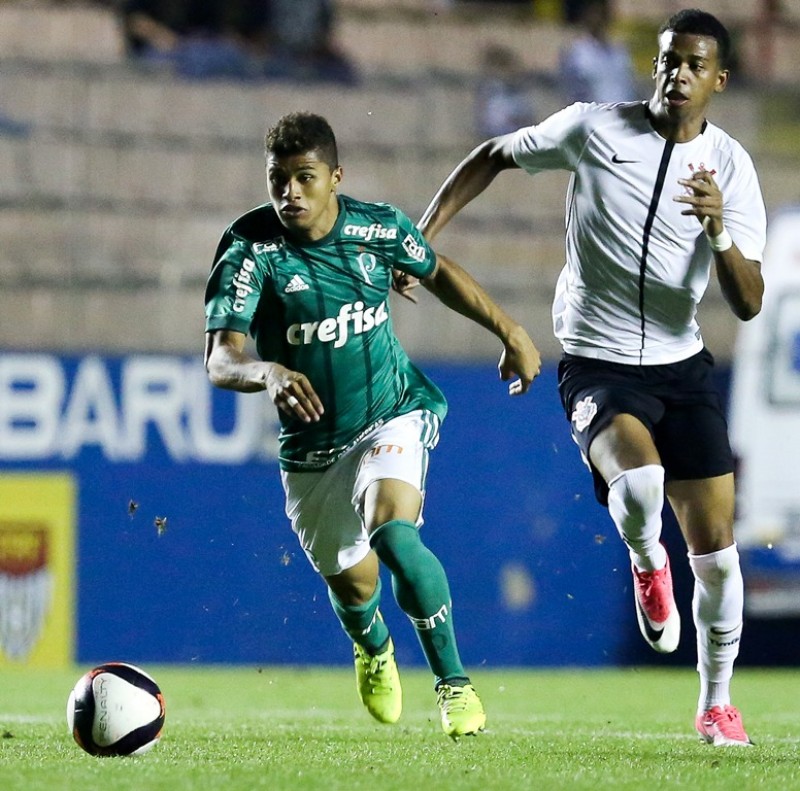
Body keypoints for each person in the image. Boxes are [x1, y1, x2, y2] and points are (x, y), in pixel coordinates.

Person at [408, 9, 766, 746]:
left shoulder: (730, 168)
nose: (677, 75)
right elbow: (493, 154)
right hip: (598, 361)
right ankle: (646, 558)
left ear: (719, 80)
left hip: (682, 366)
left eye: (695, 65)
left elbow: (750, 300)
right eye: (668, 60)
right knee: (640, 486)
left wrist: (719, 230)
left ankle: (716, 704)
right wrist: (421, 237)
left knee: (721, 561)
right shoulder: (593, 128)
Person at [203, 112, 541, 738]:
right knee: (357, 588)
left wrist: (510, 330)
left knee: (394, 534)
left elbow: (436, 271)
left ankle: (454, 684)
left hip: (391, 410)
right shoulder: (250, 247)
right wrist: (267, 373)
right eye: (278, 179)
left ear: (336, 177)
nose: (290, 193)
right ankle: (373, 644)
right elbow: (221, 358)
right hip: (312, 451)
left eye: (305, 178)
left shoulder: (376, 227)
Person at [558, 0, 637, 104]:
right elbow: (572, 94)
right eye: (593, 12)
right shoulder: (576, 54)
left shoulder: (620, 52)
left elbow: (630, 87)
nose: (598, 18)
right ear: (585, 15)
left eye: (602, 12)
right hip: (595, 111)